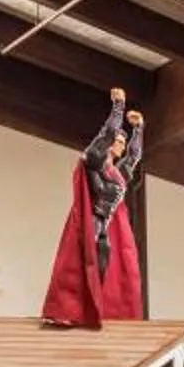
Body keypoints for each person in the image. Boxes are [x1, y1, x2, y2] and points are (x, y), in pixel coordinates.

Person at [43, 88, 145, 329]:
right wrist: (118, 106)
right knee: (87, 264)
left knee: (109, 266)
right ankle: (75, 308)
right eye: (118, 142)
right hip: (94, 220)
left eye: (123, 143)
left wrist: (139, 130)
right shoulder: (95, 161)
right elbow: (107, 132)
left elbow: (134, 156)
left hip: (106, 225)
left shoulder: (118, 173)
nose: (121, 146)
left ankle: (101, 308)